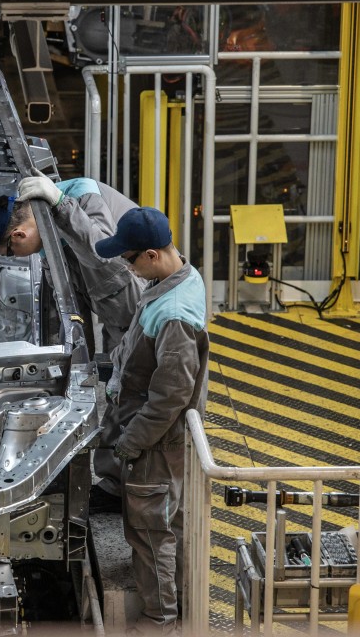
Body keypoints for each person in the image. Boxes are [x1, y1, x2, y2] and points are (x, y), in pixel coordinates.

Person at [0, 175, 146, 513]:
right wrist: (77, 370)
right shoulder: (47, 236)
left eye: (9, 252)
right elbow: (71, 306)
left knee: (142, 404)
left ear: (18, 235)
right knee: (118, 397)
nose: (15, 258)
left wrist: (63, 208)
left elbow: (108, 261)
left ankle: (142, 491)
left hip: (147, 313)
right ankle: (114, 486)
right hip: (118, 319)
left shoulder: (80, 199)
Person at [94, 207, 209, 634]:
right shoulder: (175, 279)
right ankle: (174, 603)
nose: (127, 268)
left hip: (155, 441)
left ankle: (159, 621)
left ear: (151, 255)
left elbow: (171, 395)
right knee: (165, 524)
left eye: (129, 260)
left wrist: (132, 441)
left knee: (150, 531)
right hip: (153, 434)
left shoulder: (174, 313)